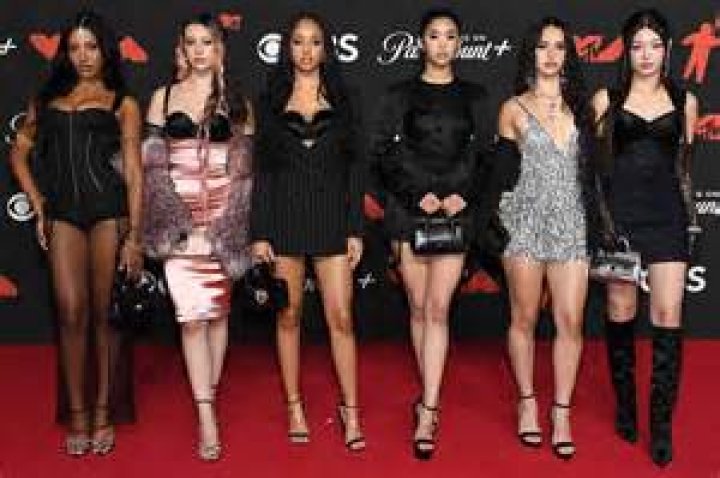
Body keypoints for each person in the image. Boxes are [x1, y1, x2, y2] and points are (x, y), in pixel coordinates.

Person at [7, 10, 143, 456]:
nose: (84, 56)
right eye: (75, 47)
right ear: (65, 53)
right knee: (70, 312)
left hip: (108, 213)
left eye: (92, 47)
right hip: (63, 214)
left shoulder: (122, 102)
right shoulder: (47, 99)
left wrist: (135, 236)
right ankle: (78, 414)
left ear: (105, 50)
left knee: (104, 315)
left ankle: (103, 412)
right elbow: (19, 152)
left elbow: (135, 173)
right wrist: (39, 204)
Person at [371, 8, 497, 460]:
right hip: (410, 212)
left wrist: (464, 195)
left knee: (439, 308)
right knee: (420, 306)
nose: (442, 44)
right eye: (434, 36)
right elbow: (381, 154)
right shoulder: (399, 94)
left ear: (459, 43)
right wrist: (415, 194)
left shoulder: (476, 96)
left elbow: (488, 156)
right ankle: (430, 390)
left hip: (457, 213)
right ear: (421, 42)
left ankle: (428, 407)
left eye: (450, 36)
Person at [249, 11, 366, 451]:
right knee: (288, 315)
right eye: (298, 41)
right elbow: (262, 171)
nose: (306, 50)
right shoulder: (269, 100)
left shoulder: (347, 97)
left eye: (314, 41)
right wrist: (260, 232)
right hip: (284, 220)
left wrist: (354, 228)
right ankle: (294, 405)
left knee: (341, 318)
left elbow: (355, 169)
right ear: (287, 48)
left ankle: (351, 409)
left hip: (332, 220)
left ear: (326, 48)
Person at [591, 8, 700, 467]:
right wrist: (606, 225)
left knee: (669, 315)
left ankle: (660, 425)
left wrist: (690, 222)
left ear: (668, 49)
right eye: (637, 46)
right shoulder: (606, 99)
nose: (646, 54)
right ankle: (625, 406)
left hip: (667, 218)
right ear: (626, 51)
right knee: (621, 313)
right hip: (621, 219)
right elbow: (596, 170)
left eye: (655, 45)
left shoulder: (686, 101)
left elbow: (684, 169)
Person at [145, 13, 253, 461]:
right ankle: (207, 417)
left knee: (218, 314)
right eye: (191, 42)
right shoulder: (163, 97)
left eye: (206, 42)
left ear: (219, 48)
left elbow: (245, 174)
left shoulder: (238, 101)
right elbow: (153, 172)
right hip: (180, 226)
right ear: (182, 49)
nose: (198, 50)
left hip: (223, 221)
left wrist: (225, 226)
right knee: (191, 318)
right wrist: (178, 224)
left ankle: (208, 389)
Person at [497, 16, 593, 460]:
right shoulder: (512, 109)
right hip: (525, 224)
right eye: (542, 46)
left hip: (572, 224)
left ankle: (562, 412)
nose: (551, 55)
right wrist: (502, 223)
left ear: (568, 55)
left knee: (570, 320)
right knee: (524, 318)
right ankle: (528, 402)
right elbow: (501, 175)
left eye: (559, 46)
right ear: (530, 54)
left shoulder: (586, 108)